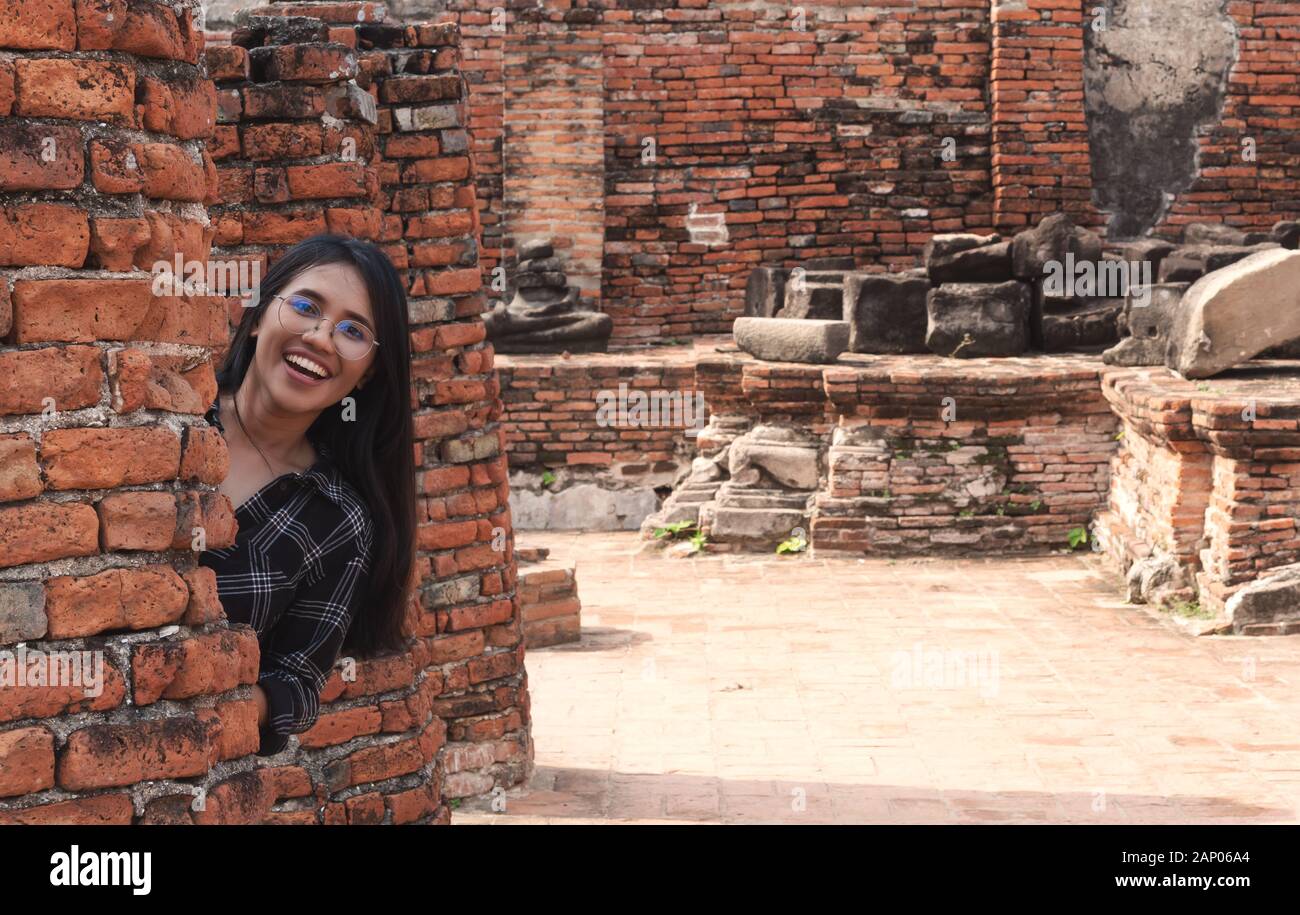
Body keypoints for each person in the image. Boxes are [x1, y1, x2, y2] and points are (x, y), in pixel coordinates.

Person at [199, 235, 416, 756]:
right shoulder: (165, 416)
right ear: (257, 317)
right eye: (305, 307)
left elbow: (296, 684)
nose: (320, 338)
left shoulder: (337, 521)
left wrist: (204, 704)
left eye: (353, 331)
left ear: (367, 376)